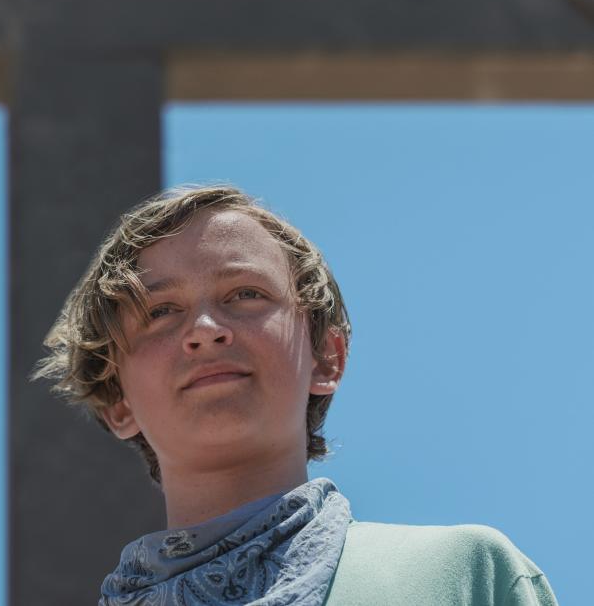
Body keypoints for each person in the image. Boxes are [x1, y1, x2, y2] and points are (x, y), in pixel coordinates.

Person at [32, 184, 557, 605]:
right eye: (161, 311)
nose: (207, 329)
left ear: (326, 358)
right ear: (117, 402)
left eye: (246, 294)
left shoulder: (461, 579)